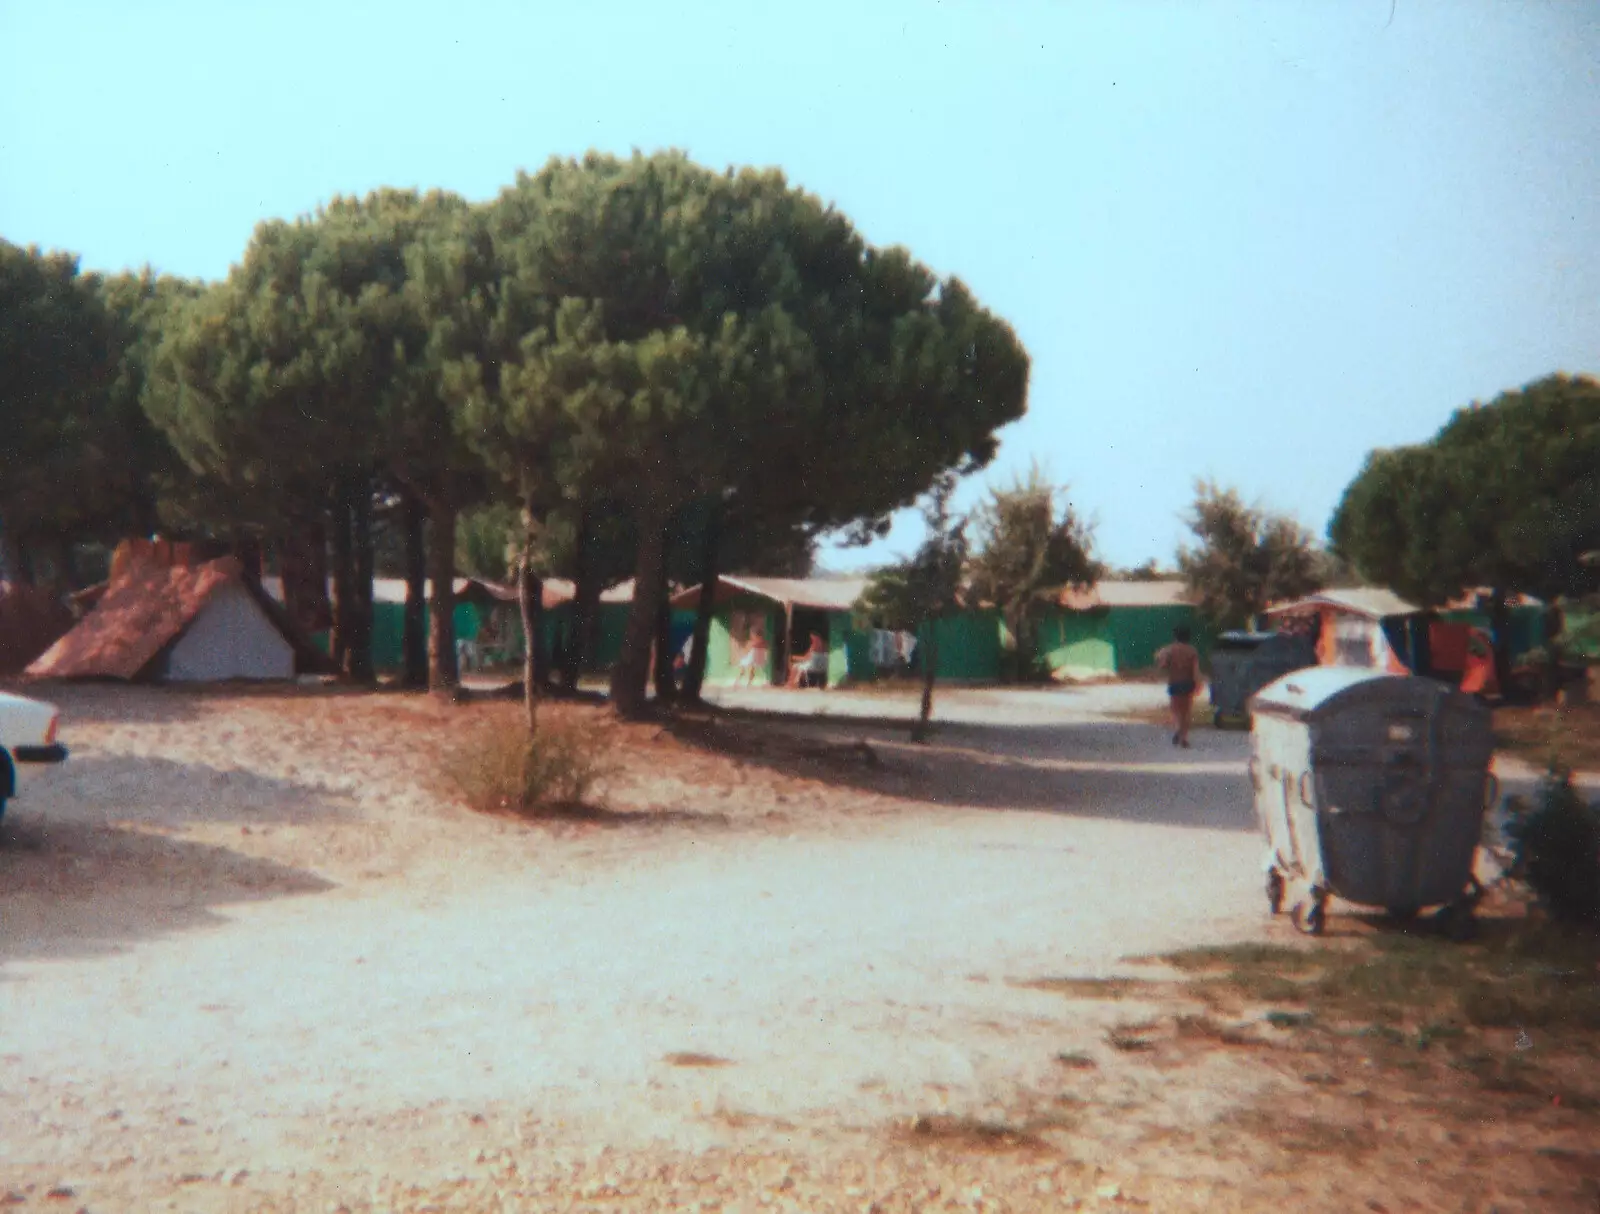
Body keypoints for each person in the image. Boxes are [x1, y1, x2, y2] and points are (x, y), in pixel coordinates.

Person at [1156, 625, 1201, 748]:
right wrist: (1198, 684)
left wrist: (1161, 661)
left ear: (1175, 636)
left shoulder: (1169, 650)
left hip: (1174, 682)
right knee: (1186, 711)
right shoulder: (1192, 651)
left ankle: (1177, 728)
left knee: (1175, 709)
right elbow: (1196, 670)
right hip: (1188, 683)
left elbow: (1163, 665)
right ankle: (1183, 737)